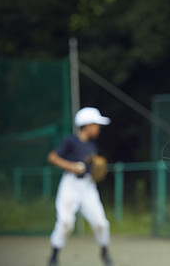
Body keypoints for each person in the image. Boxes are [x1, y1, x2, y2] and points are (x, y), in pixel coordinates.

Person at [47, 107, 113, 266]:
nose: (98, 128)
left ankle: (105, 252)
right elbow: (52, 157)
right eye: (96, 124)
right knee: (65, 221)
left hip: (88, 186)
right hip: (70, 184)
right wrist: (71, 166)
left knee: (100, 222)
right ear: (87, 125)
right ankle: (54, 256)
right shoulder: (71, 140)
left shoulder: (92, 145)